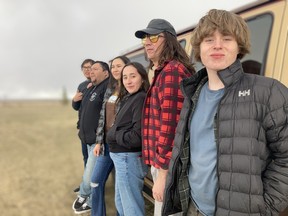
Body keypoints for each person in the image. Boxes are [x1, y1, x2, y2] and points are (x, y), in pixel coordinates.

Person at [163, 9, 288, 216]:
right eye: (209, 39)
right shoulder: (192, 93)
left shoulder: (268, 91)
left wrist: (265, 208)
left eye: (227, 38)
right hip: (193, 208)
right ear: (199, 48)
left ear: (239, 46)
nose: (217, 45)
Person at [134, 19, 195, 215]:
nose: (148, 42)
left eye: (153, 37)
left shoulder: (171, 72)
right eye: (145, 39)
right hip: (162, 164)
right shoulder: (164, 71)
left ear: (168, 40)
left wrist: (162, 176)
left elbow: (171, 127)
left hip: (166, 168)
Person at [106, 62, 150, 216]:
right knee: (121, 203)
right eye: (125, 77)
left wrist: (113, 134)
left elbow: (137, 137)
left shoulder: (140, 98)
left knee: (131, 207)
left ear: (143, 78)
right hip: (121, 158)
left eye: (133, 76)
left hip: (128, 159)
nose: (128, 81)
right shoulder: (129, 97)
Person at [90, 56, 130, 216]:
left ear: (128, 67)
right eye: (113, 66)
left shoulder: (131, 88)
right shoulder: (110, 88)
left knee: (121, 190)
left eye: (119, 66)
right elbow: (102, 116)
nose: (115, 69)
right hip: (106, 146)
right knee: (95, 181)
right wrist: (99, 141)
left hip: (121, 147)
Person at [72, 61, 110, 214]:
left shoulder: (106, 88)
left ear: (106, 73)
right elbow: (81, 109)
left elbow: (105, 116)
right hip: (86, 139)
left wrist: (99, 140)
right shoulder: (89, 87)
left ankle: (83, 195)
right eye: (88, 69)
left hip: (97, 142)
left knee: (91, 175)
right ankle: (87, 197)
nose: (91, 71)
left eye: (95, 69)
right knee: (90, 170)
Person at [71, 58, 94, 193]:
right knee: (86, 158)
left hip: (93, 131)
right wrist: (74, 100)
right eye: (84, 68)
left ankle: (89, 187)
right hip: (83, 130)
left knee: (93, 160)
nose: (87, 70)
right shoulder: (81, 86)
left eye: (90, 67)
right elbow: (77, 107)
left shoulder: (99, 84)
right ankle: (86, 184)